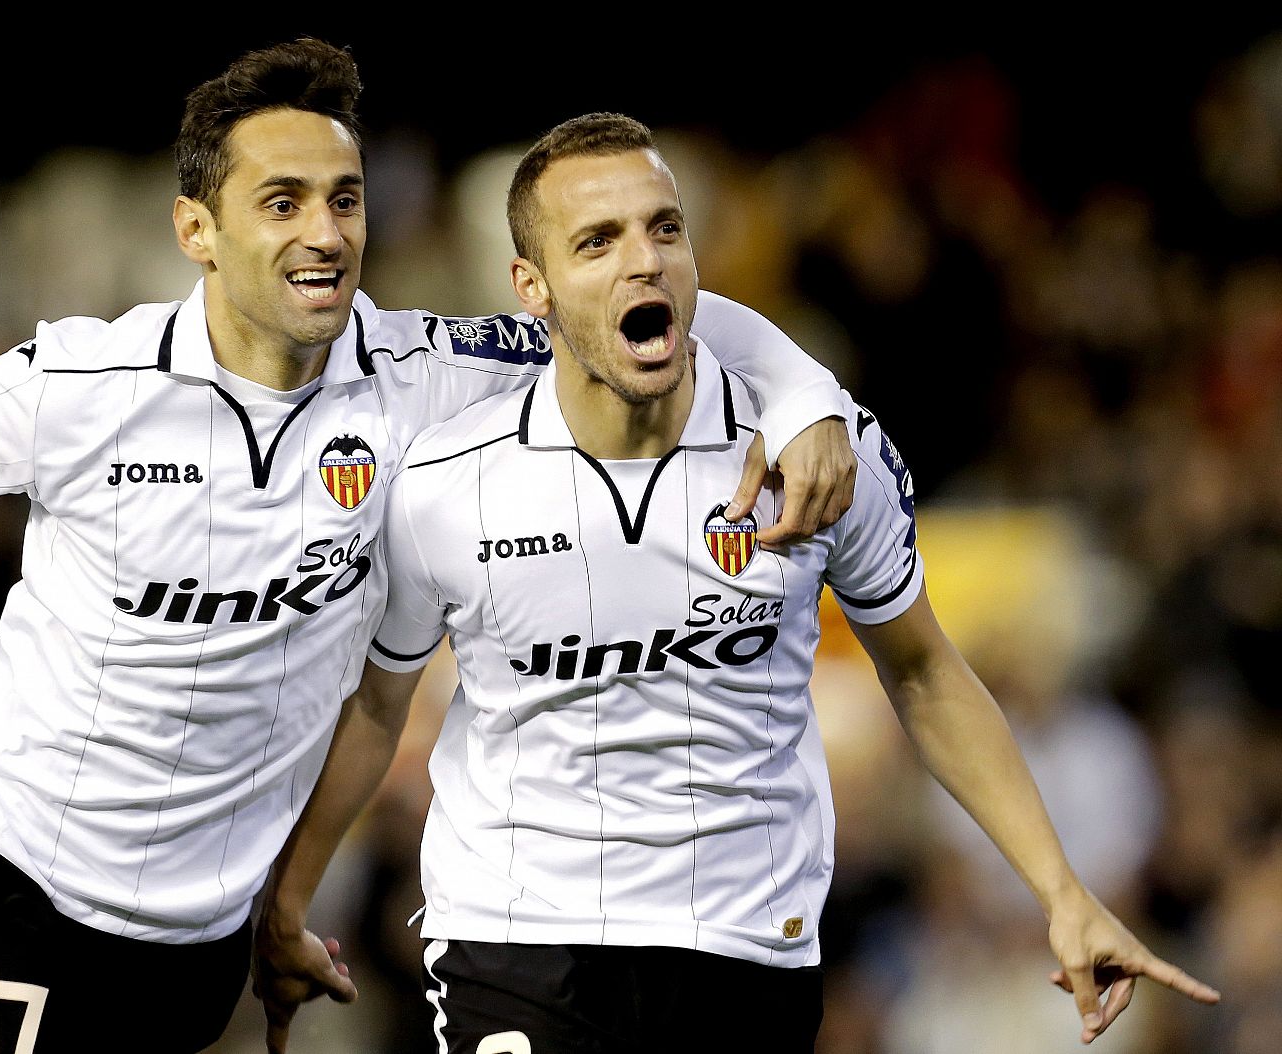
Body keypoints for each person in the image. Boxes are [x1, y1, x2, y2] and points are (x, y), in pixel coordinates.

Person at [0, 43, 857, 1054]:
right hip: (9, 889)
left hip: (199, 946)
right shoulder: (80, 387)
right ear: (195, 227)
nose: (324, 232)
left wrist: (805, 396)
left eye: (344, 199)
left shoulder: (418, 372)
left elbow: (636, 296)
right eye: (282, 201)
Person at [253, 112, 1222, 1053]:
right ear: (531, 287)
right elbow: (378, 706)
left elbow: (923, 673)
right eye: (596, 241)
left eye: (663, 228)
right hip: (514, 935)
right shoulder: (443, 483)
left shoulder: (819, 457)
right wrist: (288, 897)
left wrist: (1060, 889)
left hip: (747, 945)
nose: (642, 260)